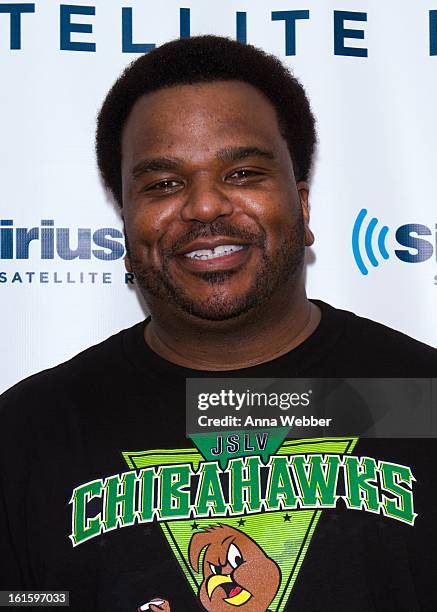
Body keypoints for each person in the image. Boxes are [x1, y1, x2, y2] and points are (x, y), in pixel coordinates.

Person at [0, 35, 436, 612]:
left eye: (243, 173)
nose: (204, 207)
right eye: (163, 184)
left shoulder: (421, 398)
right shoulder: (30, 431)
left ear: (302, 208)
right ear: (126, 228)